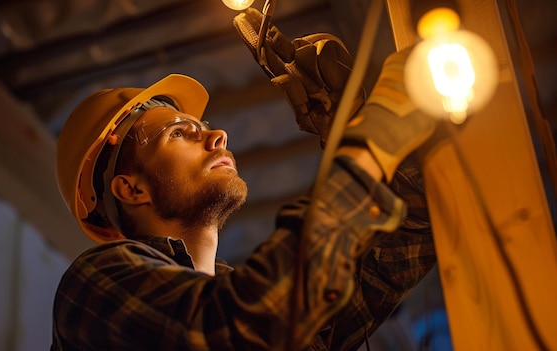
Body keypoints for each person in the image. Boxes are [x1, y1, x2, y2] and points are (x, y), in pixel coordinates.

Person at [52, 8, 437, 351]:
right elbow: (237, 329)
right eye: (179, 133)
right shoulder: (95, 285)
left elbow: (412, 232)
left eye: (200, 125)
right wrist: (366, 148)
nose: (217, 135)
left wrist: (350, 122)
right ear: (131, 188)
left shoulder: (271, 301)